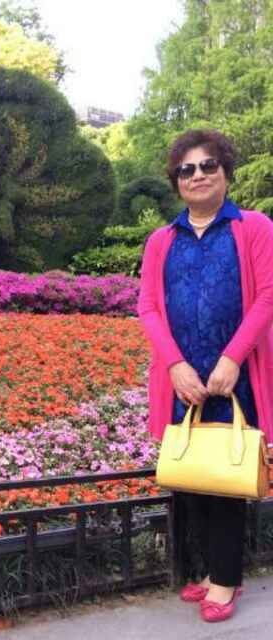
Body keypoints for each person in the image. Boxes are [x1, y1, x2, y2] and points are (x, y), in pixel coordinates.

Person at [138, 129, 273, 623]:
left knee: (226, 476)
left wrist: (233, 358)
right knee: (191, 475)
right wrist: (174, 365)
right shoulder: (162, 241)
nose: (197, 175)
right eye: (186, 169)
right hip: (182, 380)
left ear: (225, 172)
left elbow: (267, 296)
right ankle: (211, 570)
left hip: (234, 377)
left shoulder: (254, 227)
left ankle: (225, 580)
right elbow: (148, 307)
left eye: (208, 165)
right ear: (177, 181)